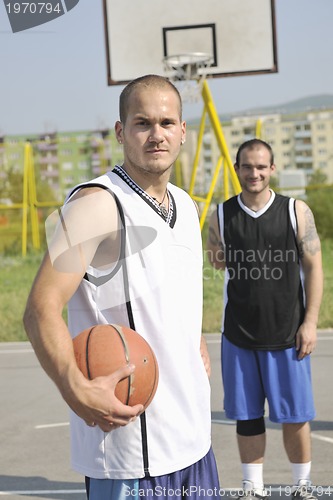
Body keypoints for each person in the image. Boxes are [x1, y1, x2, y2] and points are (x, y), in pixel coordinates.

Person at [24, 75, 221, 499]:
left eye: (167, 123)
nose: (156, 135)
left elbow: (172, 291)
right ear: (120, 131)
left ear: (183, 132)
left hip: (195, 441)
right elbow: (41, 307)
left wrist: (194, 338)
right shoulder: (94, 204)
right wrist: (74, 386)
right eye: (142, 123)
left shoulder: (186, 206)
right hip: (132, 451)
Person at [206, 139, 323, 500]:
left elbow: (314, 266)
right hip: (239, 333)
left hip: (288, 332)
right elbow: (217, 261)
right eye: (246, 166)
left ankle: (302, 485)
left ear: (272, 168)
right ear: (237, 169)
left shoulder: (295, 211)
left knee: (295, 416)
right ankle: (252, 488)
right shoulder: (221, 216)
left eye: (261, 166)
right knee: (247, 416)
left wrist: (310, 321)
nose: (253, 173)